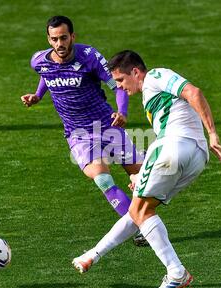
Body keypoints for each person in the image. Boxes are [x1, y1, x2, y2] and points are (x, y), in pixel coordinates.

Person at [72, 50, 221, 288]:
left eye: (121, 80)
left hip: (175, 145)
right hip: (196, 157)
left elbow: (193, 92)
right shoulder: (150, 96)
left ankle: (176, 272)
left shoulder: (155, 76)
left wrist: (213, 133)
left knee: (140, 209)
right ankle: (92, 255)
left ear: (135, 72)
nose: (120, 87)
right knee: (141, 209)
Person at [21, 17, 147, 245]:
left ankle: (145, 198)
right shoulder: (39, 61)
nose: (59, 43)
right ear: (48, 39)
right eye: (54, 39)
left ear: (72, 37)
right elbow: (46, 75)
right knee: (103, 180)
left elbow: (116, 85)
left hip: (106, 125)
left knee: (143, 178)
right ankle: (141, 227)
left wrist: (122, 111)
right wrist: (37, 95)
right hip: (78, 134)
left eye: (63, 38)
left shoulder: (89, 57)